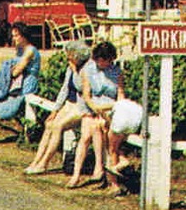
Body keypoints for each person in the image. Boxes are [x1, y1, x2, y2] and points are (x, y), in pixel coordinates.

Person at [24, 42, 91, 176]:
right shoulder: (70, 68)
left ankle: (44, 164)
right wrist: (55, 110)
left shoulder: (86, 69)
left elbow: (81, 88)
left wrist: (75, 71)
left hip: (81, 107)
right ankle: (36, 161)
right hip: (69, 104)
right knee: (49, 125)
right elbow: (65, 89)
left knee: (58, 127)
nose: (67, 58)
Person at [68, 41, 123, 189]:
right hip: (93, 107)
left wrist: (110, 111)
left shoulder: (116, 72)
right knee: (86, 136)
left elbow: (120, 96)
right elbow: (86, 95)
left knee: (99, 129)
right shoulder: (89, 70)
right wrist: (96, 109)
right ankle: (76, 174)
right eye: (99, 60)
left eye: (105, 60)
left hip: (110, 108)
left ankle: (105, 174)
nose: (101, 63)